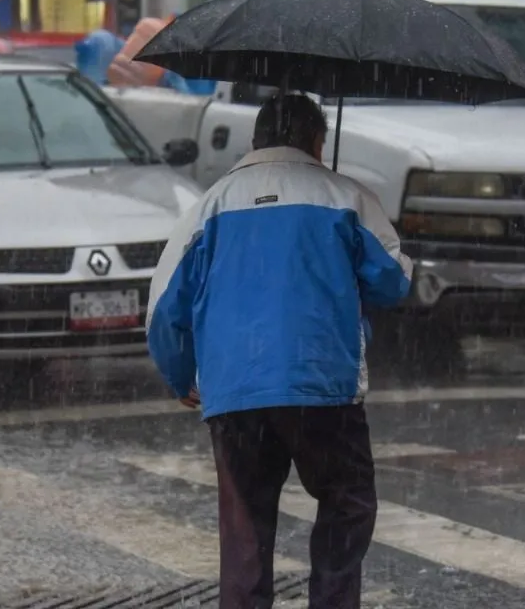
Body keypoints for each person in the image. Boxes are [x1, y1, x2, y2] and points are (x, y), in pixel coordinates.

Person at [146, 93, 413, 608]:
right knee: (345, 504)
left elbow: (163, 309)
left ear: (255, 141)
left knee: (246, 530)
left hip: (235, 393)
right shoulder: (345, 198)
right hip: (322, 386)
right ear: (318, 140)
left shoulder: (210, 205)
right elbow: (393, 281)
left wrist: (182, 376)